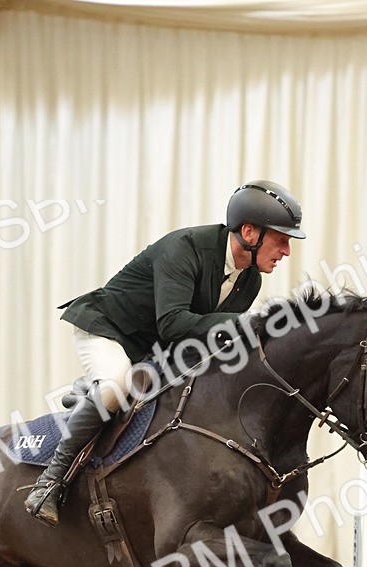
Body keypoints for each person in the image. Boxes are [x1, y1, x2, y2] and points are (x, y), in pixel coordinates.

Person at [25, 180, 305, 524]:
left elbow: (206, 338)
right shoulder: (185, 248)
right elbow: (173, 323)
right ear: (249, 232)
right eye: (281, 240)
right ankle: (50, 482)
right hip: (108, 329)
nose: (286, 251)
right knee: (116, 385)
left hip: (153, 349)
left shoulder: (249, 280)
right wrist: (242, 323)